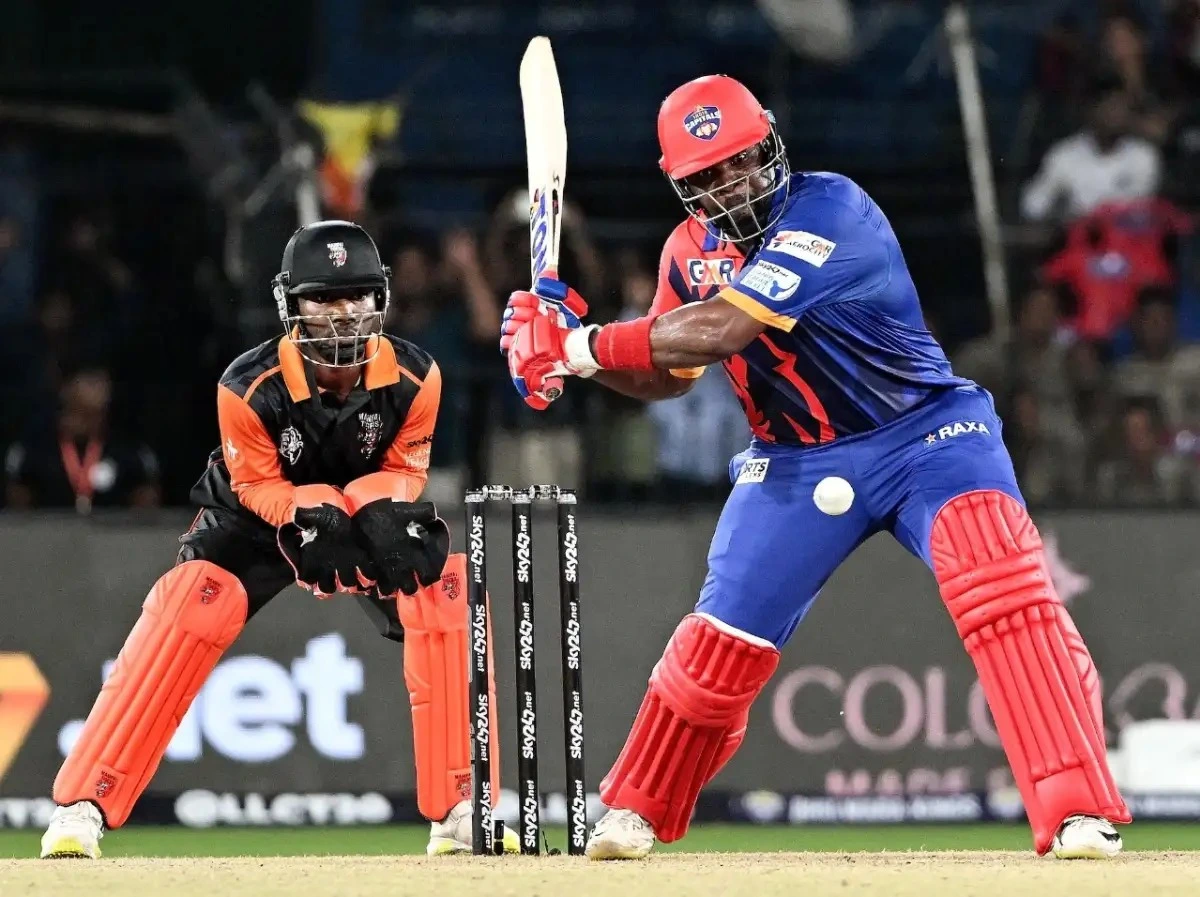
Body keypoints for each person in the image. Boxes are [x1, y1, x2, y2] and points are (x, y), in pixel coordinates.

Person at [502, 75, 1130, 861]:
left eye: (744, 159)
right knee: (719, 641)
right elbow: (669, 374)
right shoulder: (685, 254)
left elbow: (722, 330)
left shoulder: (831, 210)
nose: (735, 182)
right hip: (793, 459)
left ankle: (1077, 811)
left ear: (770, 144)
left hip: (927, 436)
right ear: (683, 186)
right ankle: (635, 810)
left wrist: (577, 343)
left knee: (1002, 590)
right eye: (711, 174)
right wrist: (577, 363)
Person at [40, 220, 516, 859]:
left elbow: (406, 466)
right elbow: (255, 483)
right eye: (322, 299)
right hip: (256, 517)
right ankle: (82, 807)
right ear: (291, 306)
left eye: (355, 297)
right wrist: (305, 510)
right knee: (190, 604)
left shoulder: (417, 375)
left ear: (380, 299)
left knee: (443, 591)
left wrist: (375, 507)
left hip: (359, 505)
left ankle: (461, 811)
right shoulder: (246, 386)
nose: (342, 315)